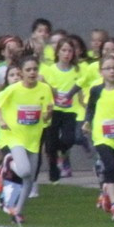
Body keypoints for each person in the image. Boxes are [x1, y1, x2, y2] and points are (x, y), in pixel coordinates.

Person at [0, 54, 53, 224]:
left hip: (33, 137)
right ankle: (7, 164)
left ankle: (17, 211)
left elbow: (47, 115)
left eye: (35, 69)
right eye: (28, 70)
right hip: (14, 135)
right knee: (24, 170)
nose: (32, 73)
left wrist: (48, 115)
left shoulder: (44, 89)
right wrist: (1, 120)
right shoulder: (14, 89)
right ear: (21, 72)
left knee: (29, 178)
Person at [82, 55, 114, 222]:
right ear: (101, 72)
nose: (112, 71)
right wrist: (87, 122)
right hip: (101, 135)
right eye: (108, 68)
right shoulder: (96, 90)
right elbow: (90, 108)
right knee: (110, 165)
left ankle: (106, 192)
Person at [41, 37, 83, 181]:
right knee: (51, 142)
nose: (67, 54)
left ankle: (61, 152)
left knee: (69, 139)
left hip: (70, 111)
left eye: (70, 51)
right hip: (54, 110)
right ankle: (53, 169)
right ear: (57, 52)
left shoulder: (77, 70)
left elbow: (81, 87)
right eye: (63, 50)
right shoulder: (50, 70)